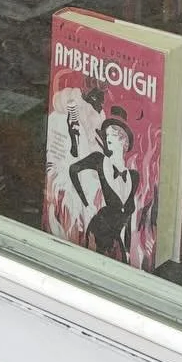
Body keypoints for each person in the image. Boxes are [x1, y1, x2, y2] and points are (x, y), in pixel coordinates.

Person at [69, 109, 140, 262]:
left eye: (113, 134)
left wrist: (128, 248)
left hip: (115, 241)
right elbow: (73, 170)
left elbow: (128, 218)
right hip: (98, 233)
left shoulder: (134, 176)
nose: (107, 138)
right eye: (106, 134)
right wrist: (86, 204)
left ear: (124, 141)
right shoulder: (99, 160)